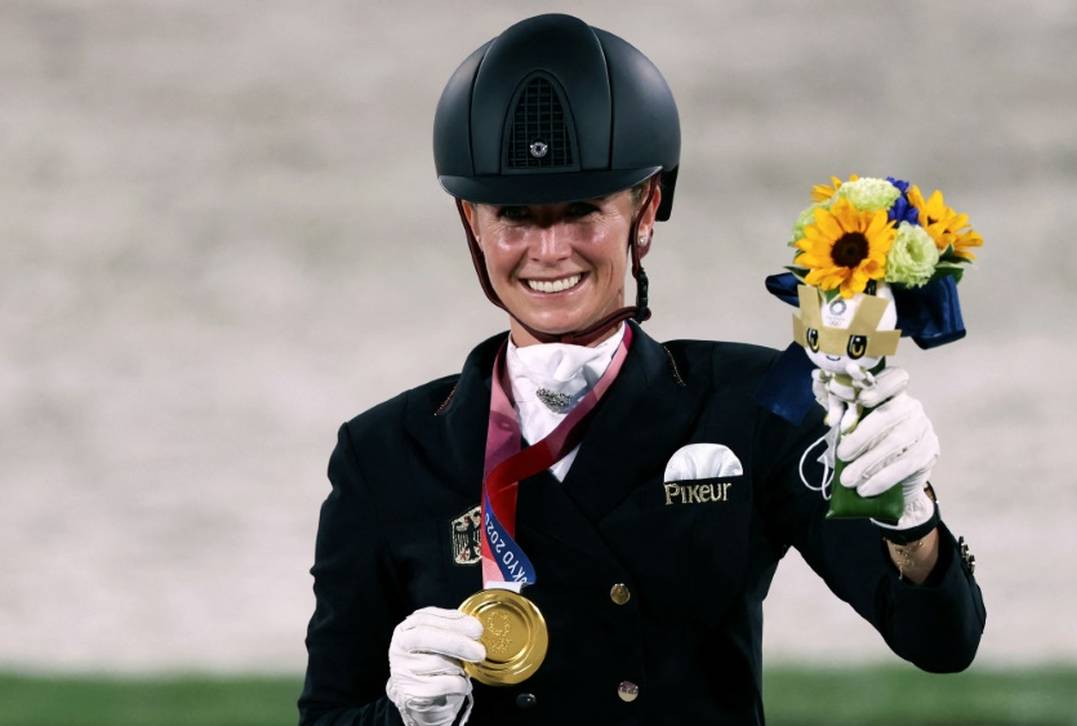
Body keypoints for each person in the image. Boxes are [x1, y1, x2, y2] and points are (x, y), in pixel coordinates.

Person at [299, 13, 985, 726]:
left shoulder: (757, 406)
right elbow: (328, 716)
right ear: (471, 220)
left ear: (646, 208)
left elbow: (942, 641)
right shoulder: (383, 454)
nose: (550, 250)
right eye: (515, 216)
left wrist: (911, 522)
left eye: (582, 211)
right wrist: (402, 718)